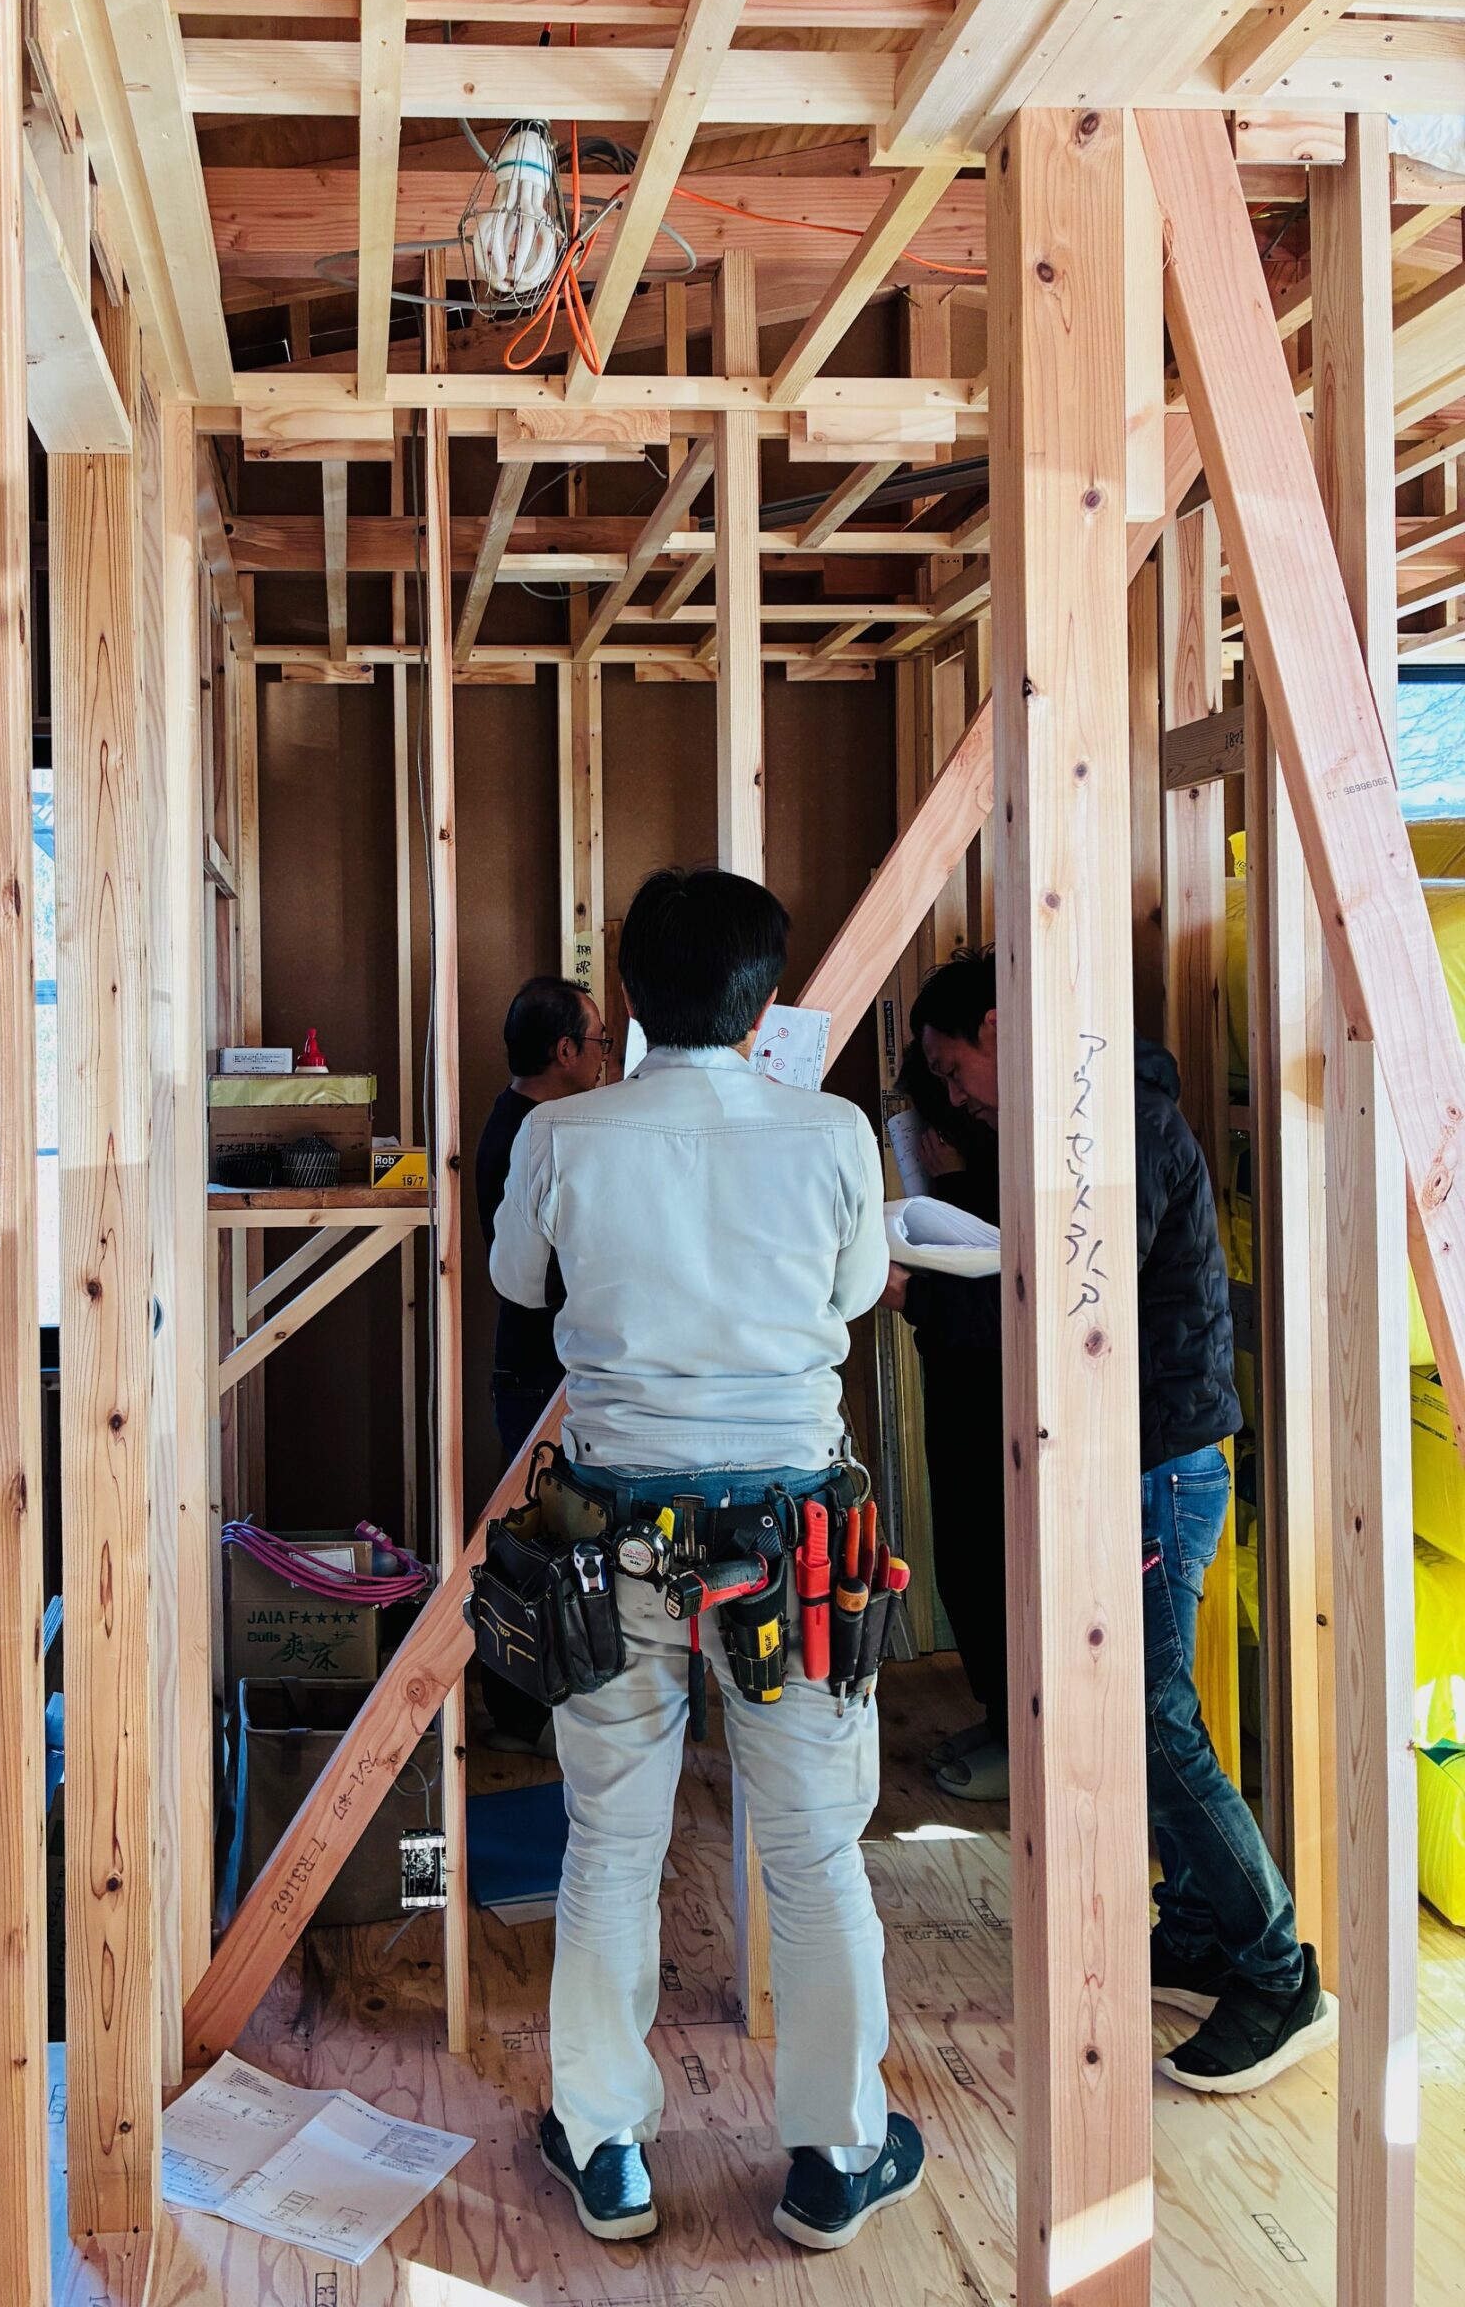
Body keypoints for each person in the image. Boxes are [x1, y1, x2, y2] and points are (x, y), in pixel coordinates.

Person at [491, 868, 922, 2253]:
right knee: (814, 1849)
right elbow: (854, 1296)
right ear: (763, 1003)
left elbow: (514, 1282)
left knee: (612, 1840)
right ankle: (836, 2157)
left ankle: (605, 2144)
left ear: (626, 995)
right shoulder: (834, 1131)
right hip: (795, 1545)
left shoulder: (562, 1132)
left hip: (610, 1539)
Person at [906, 949, 1337, 2094]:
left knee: (1154, 1719)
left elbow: (1075, 1307)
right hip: (1134, 1457)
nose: (954, 1094)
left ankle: (1278, 1971)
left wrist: (927, 1286)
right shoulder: (1082, 1116)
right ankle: (1194, 1927)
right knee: (1145, 1706)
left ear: (997, 1026)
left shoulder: (1112, 1122)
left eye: (952, 1066)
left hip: (1159, 1465)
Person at [473, 976, 609, 1751]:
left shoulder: (529, 1124)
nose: (604, 1058)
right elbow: (539, 1277)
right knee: (534, 1548)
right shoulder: (529, 1136)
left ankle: (536, 1712)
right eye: (599, 1043)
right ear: (565, 1051)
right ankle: (525, 1715)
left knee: (544, 1542)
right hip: (538, 1373)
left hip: (540, 1368)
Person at [883, 1039, 1008, 1801]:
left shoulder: (1015, 1150)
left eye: (951, 1076)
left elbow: (1002, 1296)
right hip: (956, 1381)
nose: (956, 1100)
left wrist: (955, 1186)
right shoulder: (969, 1142)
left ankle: (1018, 1731)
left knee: (995, 1562)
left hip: (999, 1397)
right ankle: (997, 1714)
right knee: (962, 1557)